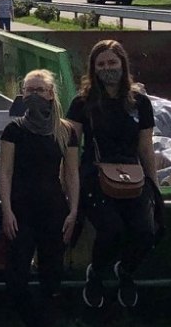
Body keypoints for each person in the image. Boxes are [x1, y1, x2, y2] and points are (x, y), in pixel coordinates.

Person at [67, 42, 165, 309]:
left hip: (133, 174)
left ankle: (126, 271)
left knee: (146, 232)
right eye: (101, 64)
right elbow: (72, 147)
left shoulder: (140, 103)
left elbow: (146, 147)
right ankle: (96, 273)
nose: (107, 69)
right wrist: (70, 188)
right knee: (111, 229)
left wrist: (154, 188)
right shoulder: (82, 103)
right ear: (93, 68)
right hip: (95, 173)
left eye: (112, 63)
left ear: (123, 65)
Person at [2, 70, 82, 327]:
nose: (34, 95)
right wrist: (7, 209)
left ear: (50, 94)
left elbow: (71, 174)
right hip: (21, 210)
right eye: (28, 90)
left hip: (53, 210)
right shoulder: (14, 130)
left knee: (52, 275)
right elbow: (6, 173)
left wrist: (74, 210)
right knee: (16, 277)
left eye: (39, 90)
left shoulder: (65, 131)